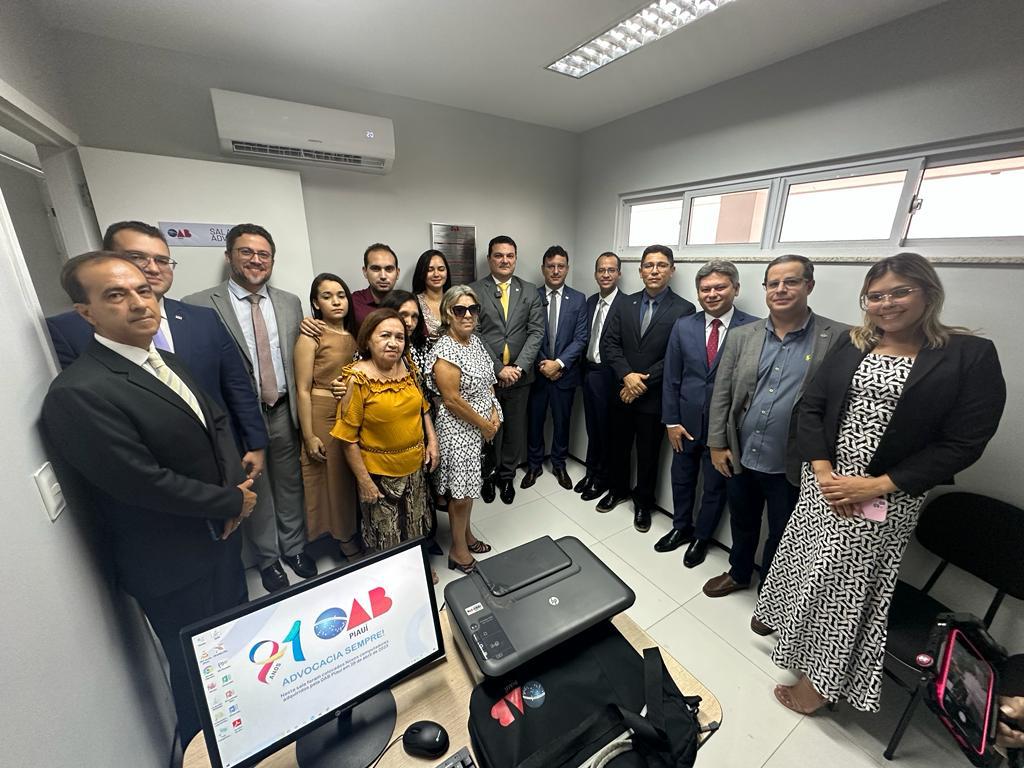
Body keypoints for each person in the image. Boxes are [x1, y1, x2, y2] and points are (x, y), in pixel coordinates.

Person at [754, 252, 1006, 715]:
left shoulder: (967, 355)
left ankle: (821, 684)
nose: (886, 303)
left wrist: (875, 486)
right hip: (824, 485)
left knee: (841, 591)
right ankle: (794, 645)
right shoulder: (854, 343)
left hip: (883, 498)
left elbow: (963, 443)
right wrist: (823, 471)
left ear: (928, 293)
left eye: (900, 292)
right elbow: (811, 406)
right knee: (804, 570)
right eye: (875, 296)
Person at [41, 252, 256, 746]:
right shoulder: (79, 392)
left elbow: (216, 422)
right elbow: (141, 482)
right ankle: (206, 751)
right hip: (173, 563)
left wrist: (235, 494)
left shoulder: (165, 361)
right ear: (86, 312)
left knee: (235, 649)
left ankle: (252, 732)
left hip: (221, 539)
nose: (140, 303)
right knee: (198, 672)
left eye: (144, 290)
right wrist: (229, 503)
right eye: (116, 295)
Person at [46, 221, 268, 475]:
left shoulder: (202, 318)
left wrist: (255, 442)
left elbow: (236, 385)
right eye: (136, 257)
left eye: (162, 260)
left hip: (225, 456)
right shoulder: (66, 333)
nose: (152, 268)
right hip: (155, 470)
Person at [704, 255, 846, 610]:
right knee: (742, 520)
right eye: (773, 283)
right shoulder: (743, 336)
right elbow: (723, 392)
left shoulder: (838, 337)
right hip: (741, 453)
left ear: (809, 286)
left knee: (783, 531)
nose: (781, 289)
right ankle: (739, 573)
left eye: (791, 281)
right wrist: (717, 443)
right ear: (765, 288)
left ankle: (772, 596)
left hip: (793, 462)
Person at [184, 223, 316, 593]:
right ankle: (268, 559)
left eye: (264, 254)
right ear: (229, 256)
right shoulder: (199, 304)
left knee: (290, 483)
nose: (256, 260)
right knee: (254, 487)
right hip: (239, 417)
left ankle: (295, 548)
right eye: (247, 252)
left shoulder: (290, 302)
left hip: (283, 409)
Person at [658, 260, 759, 565]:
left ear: (735, 289)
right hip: (685, 423)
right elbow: (672, 377)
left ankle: (702, 537)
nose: (712, 294)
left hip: (725, 430)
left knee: (715, 486)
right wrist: (671, 421)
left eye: (719, 287)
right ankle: (680, 527)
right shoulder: (683, 325)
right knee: (681, 478)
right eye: (705, 289)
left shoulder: (754, 328)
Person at [597, 244, 695, 532]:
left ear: (671, 270)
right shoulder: (625, 303)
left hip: (653, 398)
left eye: (661, 265)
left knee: (649, 455)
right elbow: (609, 343)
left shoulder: (684, 310)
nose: (654, 271)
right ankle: (617, 490)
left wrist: (640, 381)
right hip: (621, 393)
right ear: (640, 271)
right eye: (649, 265)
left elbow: (676, 356)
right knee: (618, 447)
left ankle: (643, 503)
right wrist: (627, 375)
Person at [331, 309, 439, 554]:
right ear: (368, 339)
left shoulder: (408, 366)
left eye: (400, 337)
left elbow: (422, 406)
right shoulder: (356, 379)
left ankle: (418, 568)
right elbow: (347, 439)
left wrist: (432, 442)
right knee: (386, 536)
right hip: (379, 475)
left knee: (416, 525)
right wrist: (364, 482)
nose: (393, 343)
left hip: (415, 468)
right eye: (385, 335)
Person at [428, 286, 503, 573]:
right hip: (458, 432)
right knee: (459, 496)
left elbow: (488, 382)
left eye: (473, 309)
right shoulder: (445, 350)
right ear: (448, 314)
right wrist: (485, 425)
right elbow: (452, 400)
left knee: (470, 489)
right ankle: (458, 552)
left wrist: (494, 413)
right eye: (460, 310)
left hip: (479, 430)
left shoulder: (475, 342)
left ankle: (467, 536)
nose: (468, 315)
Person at [470, 235, 544, 505]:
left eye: (509, 255)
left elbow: (536, 332)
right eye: (499, 255)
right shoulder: (474, 290)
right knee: (489, 428)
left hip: (520, 378)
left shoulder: (529, 291)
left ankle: (506, 477)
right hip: (487, 377)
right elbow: (474, 333)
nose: (504, 260)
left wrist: (519, 368)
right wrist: (499, 368)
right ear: (489, 259)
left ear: (515, 258)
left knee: (514, 429)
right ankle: (488, 476)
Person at [294, 273, 360, 558]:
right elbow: (302, 389)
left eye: (341, 295)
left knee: (352, 476)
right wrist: (308, 435)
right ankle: (343, 539)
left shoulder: (355, 333)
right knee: (333, 479)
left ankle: (354, 530)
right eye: (327, 296)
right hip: (324, 414)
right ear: (315, 303)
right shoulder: (311, 336)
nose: (336, 301)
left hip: (353, 411)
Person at [524, 245, 589, 490]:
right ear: (543, 269)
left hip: (565, 374)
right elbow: (528, 333)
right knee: (535, 421)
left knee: (563, 422)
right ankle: (534, 465)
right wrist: (544, 364)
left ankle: (559, 464)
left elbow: (581, 338)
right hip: (538, 373)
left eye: (560, 266)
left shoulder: (579, 299)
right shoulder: (532, 296)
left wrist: (559, 364)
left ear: (567, 269)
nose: (555, 271)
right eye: (550, 266)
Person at [577, 252, 628, 501]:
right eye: (601, 270)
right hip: (589, 372)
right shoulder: (590, 302)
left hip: (610, 377)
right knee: (592, 428)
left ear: (619, 273)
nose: (605, 275)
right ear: (595, 273)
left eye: (611, 270)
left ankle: (602, 478)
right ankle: (591, 472)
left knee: (607, 431)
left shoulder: (626, 305)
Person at [350, 243, 400, 331]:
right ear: (365, 272)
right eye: (376, 269)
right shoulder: (352, 302)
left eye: (389, 269)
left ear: (397, 273)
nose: (383, 276)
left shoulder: (406, 304)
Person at [413, 249, 452, 341]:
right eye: (430, 270)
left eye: (441, 269)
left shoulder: (455, 301)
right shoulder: (414, 303)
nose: (436, 274)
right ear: (421, 273)